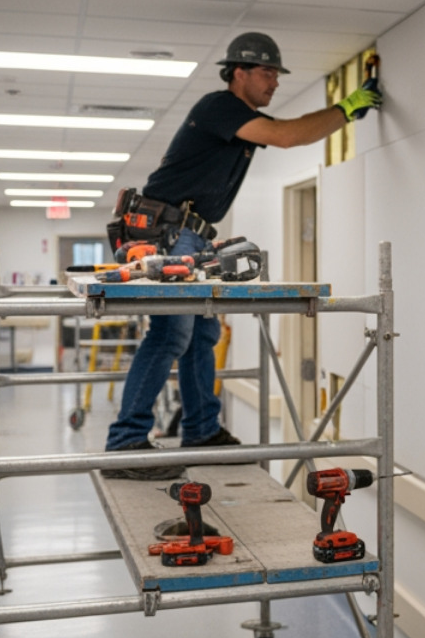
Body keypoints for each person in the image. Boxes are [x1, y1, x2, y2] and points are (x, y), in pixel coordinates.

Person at [103, 32, 382, 478]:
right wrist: (346, 109)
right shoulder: (219, 108)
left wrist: (343, 115)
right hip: (167, 232)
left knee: (201, 336)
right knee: (171, 335)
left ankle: (201, 431)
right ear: (239, 72)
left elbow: (288, 132)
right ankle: (125, 444)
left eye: (276, 74)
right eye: (267, 72)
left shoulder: (241, 120)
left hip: (189, 235)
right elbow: (288, 135)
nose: (274, 82)